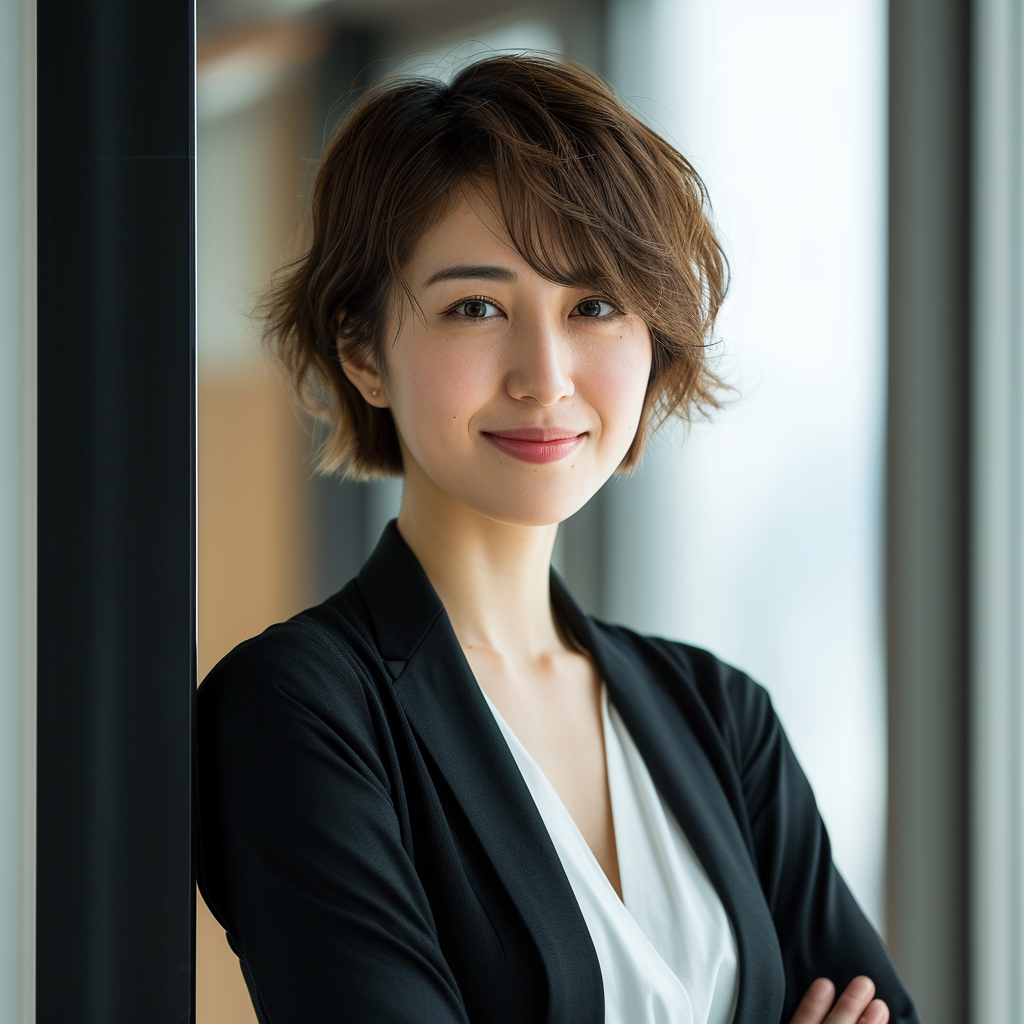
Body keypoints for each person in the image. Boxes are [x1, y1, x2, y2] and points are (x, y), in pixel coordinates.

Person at [196, 54, 918, 1024]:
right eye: (477, 307)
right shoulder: (299, 710)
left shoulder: (719, 718)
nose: (545, 375)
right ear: (363, 349)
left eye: (595, 305)